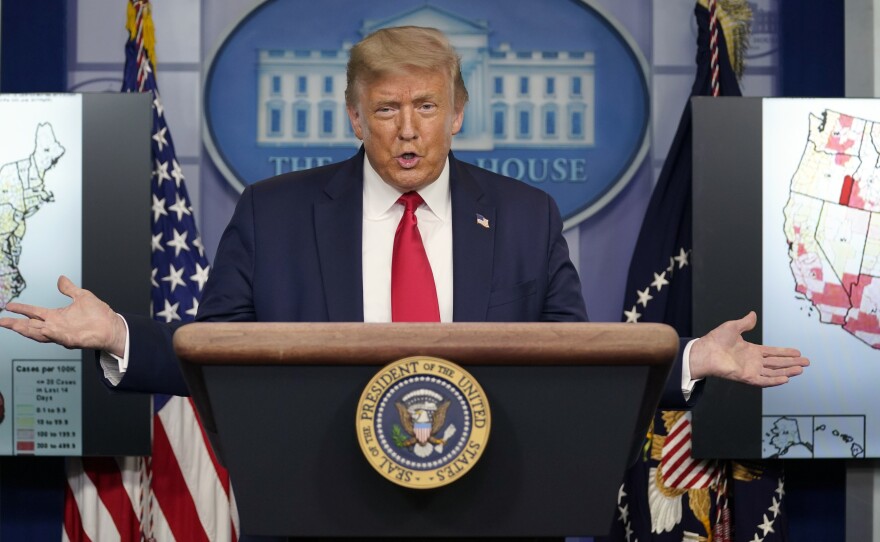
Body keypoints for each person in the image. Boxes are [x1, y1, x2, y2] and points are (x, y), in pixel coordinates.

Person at [0, 26, 808, 403]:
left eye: (428, 105)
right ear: (354, 116)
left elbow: (579, 364)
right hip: (320, 510)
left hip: (495, 511)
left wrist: (696, 357)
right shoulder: (275, 213)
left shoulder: (526, 216)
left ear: (458, 111)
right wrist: (118, 336)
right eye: (387, 109)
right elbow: (217, 354)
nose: (410, 128)